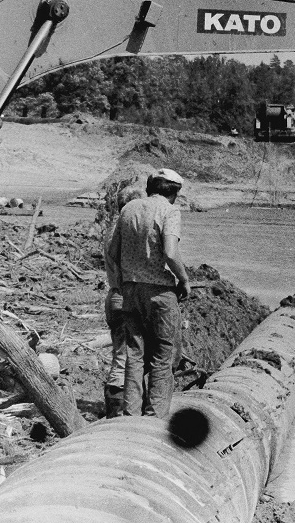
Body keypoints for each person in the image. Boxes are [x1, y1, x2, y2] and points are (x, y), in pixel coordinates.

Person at [105, 168, 191, 418]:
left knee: (134, 354)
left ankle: (131, 415)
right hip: (160, 292)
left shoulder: (128, 209)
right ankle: (155, 417)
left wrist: (124, 281)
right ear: (175, 193)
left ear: (149, 187)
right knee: (163, 356)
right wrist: (183, 279)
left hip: (130, 291)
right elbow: (171, 252)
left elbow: (113, 252)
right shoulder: (169, 210)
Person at [101, 183, 145, 418]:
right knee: (126, 358)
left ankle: (116, 409)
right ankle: (118, 412)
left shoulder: (111, 229)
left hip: (115, 296)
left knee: (122, 355)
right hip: (125, 298)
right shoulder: (125, 230)